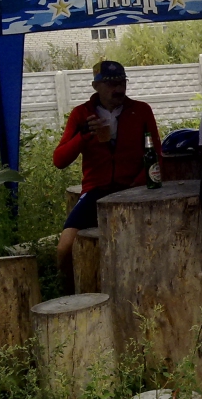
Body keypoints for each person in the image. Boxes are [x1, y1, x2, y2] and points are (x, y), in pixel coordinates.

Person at [53, 61, 160, 294]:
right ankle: (70, 297)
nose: (118, 89)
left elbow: (156, 154)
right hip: (96, 190)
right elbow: (59, 160)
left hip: (134, 189)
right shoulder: (81, 114)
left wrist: (139, 183)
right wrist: (84, 135)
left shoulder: (141, 110)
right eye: (111, 84)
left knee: (145, 245)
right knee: (65, 248)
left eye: (122, 83)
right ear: (96, 86)